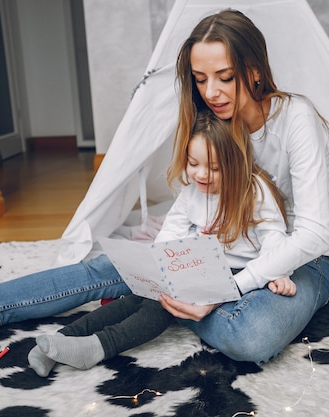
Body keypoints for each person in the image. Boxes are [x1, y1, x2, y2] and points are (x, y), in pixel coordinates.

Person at [0, 9, 329, 365]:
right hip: (215, 255)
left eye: (224, 76)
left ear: (255, 70)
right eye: (201, 80)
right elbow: (191, 210)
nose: (212, 92)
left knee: (252, 336)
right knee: (110, 268)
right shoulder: (210, 127)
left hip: (292, 264)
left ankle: (156, 307)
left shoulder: (294, 117)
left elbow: (314, 234)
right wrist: (181, 271)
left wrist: (227, 290)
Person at [28, 111, 293, 376]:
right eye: (193, 163)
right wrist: (163, 265)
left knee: (160, 306)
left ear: (236, 162)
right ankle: (61, 339)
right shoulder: (192, 192)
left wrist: (279, 273)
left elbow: (274, 238)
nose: (202, 174)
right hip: (199, 268)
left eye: (214, 168)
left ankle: (98, 347)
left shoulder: (254, 191)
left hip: (238, 275)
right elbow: (170, 233)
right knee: (138, 297)